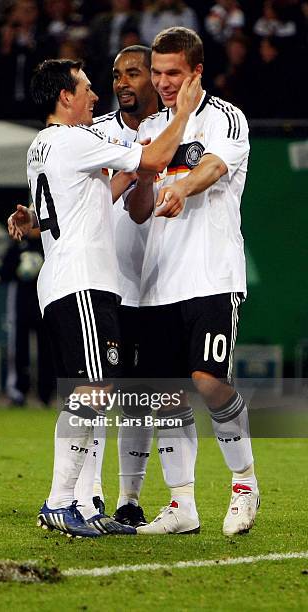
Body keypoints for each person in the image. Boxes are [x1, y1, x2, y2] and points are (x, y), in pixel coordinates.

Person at [7, 57, 201, 537]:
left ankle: (83, 505)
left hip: (66, 281)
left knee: (90, 393)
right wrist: (183, 114)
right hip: (82, 282)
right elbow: (153, 160)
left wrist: (31, 219)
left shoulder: (44, 145)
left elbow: (102, 193)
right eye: (87, 88)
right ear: (64, 97)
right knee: (92, 394)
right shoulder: (74, 139)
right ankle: (58, 503)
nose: (97, 97)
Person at [127, 27, 259, 536]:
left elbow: (213, 166)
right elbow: (139, 211)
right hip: (158, 281)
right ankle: (182, 505)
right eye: (156, 72)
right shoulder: (153, 127)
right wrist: (144, 179)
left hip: (210, 273)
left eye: (172, 73)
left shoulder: (226, 117)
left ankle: (244, 484)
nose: (161, 82)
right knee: (167, 396)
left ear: (196, 72)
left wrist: (181, 183)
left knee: (208, 381)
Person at [74, 45, 160, 528]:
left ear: (154, 78)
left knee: (140, 395)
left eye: (133, 73)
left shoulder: (173, 130)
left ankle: (130, 497)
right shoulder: (96, 134)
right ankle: (91, 496)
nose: (122, 82)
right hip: (105, 282)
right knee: (95, 390)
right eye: (115, 75)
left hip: (158, 280)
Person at [0, 228, 55, 407]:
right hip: (21, 305)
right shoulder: (18, 245)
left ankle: (46, 394)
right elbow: (3, 273)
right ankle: (18, 391)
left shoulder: (50, 243)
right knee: (18, 349)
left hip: (45, 302)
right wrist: (19, 269)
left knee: (47, 349)